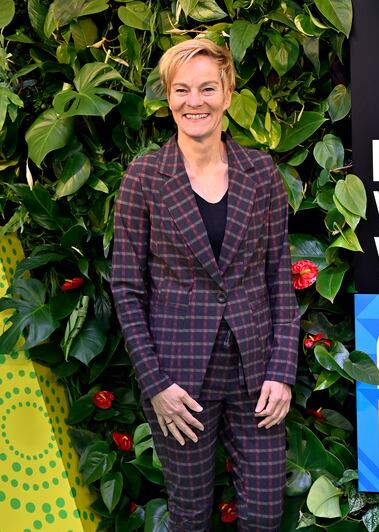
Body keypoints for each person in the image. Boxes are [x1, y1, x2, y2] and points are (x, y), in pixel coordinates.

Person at [111, 38, 299, 530]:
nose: (195, 101)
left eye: (208, 88)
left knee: (265, 515)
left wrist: (282, 371)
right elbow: (127, 288)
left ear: (228, 93)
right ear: (169, 97)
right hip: (179, 382)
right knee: (191, 516)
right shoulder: (144, 178)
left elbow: (279, 276)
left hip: (257, 376)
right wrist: (156, 385)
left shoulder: (261, 172)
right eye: (182, 90)